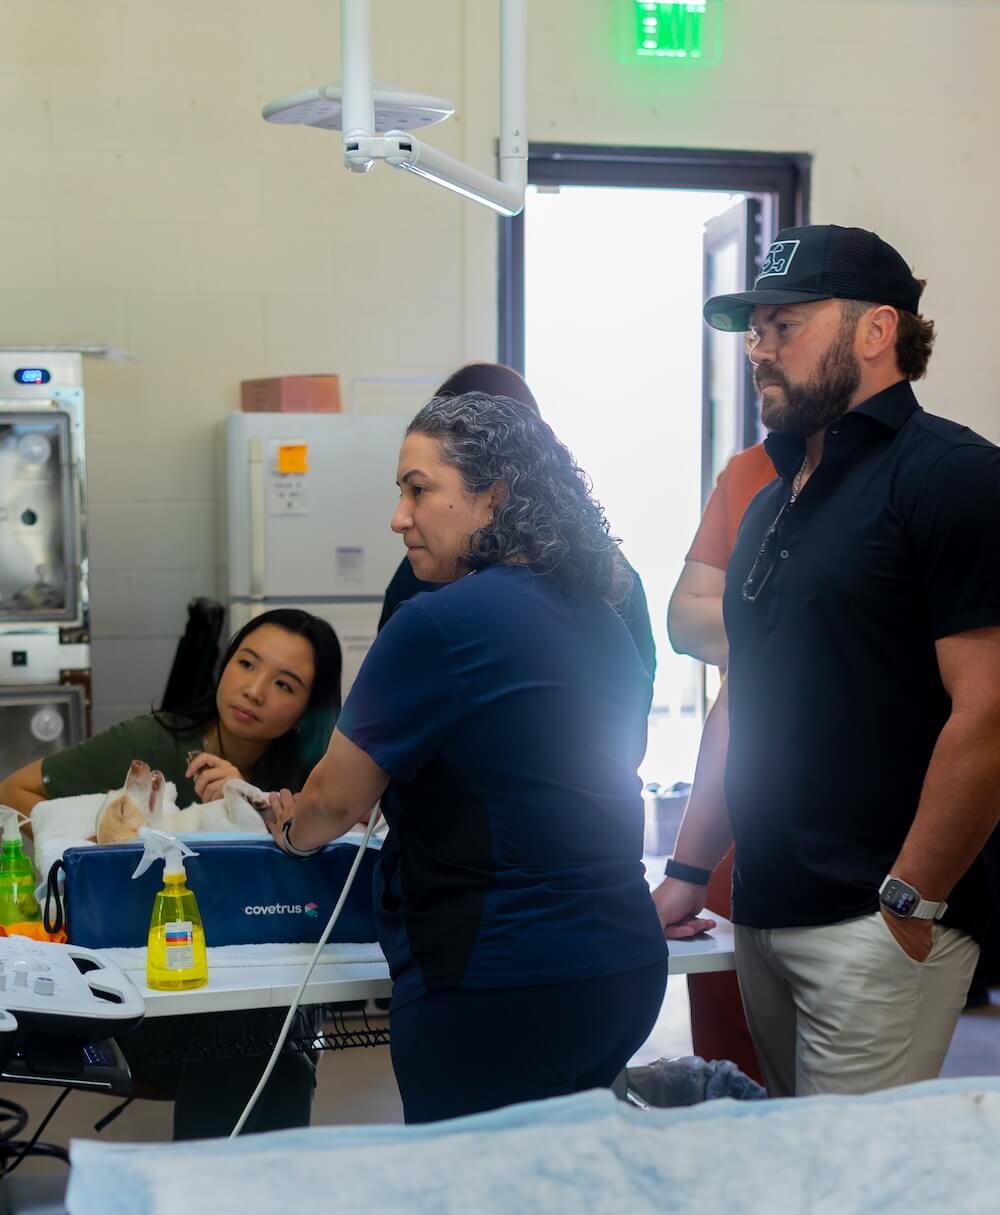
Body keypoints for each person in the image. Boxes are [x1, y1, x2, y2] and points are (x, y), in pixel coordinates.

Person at [654, 223, 1000, 1098]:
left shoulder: (954, 477)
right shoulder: (770, 504)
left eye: (786, 326)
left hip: (876, 921)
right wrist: (690, 873)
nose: (758, 351)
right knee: (792, 1163)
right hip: (764, 911)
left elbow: (989, 712)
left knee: (850, 1175)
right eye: (754, 331)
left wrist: (910, 901)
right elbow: (746, 698)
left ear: (877, 330)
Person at [265, 393, 668, 1124]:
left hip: (498, 978)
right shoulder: (600, 616)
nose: (399, 517)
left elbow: (334, 800)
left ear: (496, 496)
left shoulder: (437, 624)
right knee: (566, 1172)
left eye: (419, 490)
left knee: (474, 1188)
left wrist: (290, 833)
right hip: (623, 969)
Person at [0, 608, 343, 1137]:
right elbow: (14, 792)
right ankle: (236, 1176)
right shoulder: (154, 742)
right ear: (224, 667)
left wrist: (246, 803)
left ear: (305, 711)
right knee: (262, 1031)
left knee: (267, 1018)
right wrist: (99, 841)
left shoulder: (314, 780)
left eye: (284, 684)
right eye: (246, 664)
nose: (254, 691)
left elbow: (343, 860)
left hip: (265, 994)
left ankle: (230, 1176)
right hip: (151, 998)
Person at [378, 362, 657, 680]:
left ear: (497, 487)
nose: (400, 520)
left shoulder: (608, 579)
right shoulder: (422, 572)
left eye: (419, 489)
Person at [667, 443, 776, 1086]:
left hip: (869, 870)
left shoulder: (930, 472)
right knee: (733, 1073)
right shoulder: (748, 473)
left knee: (840, 1111)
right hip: (734, 842)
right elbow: (685, 622)